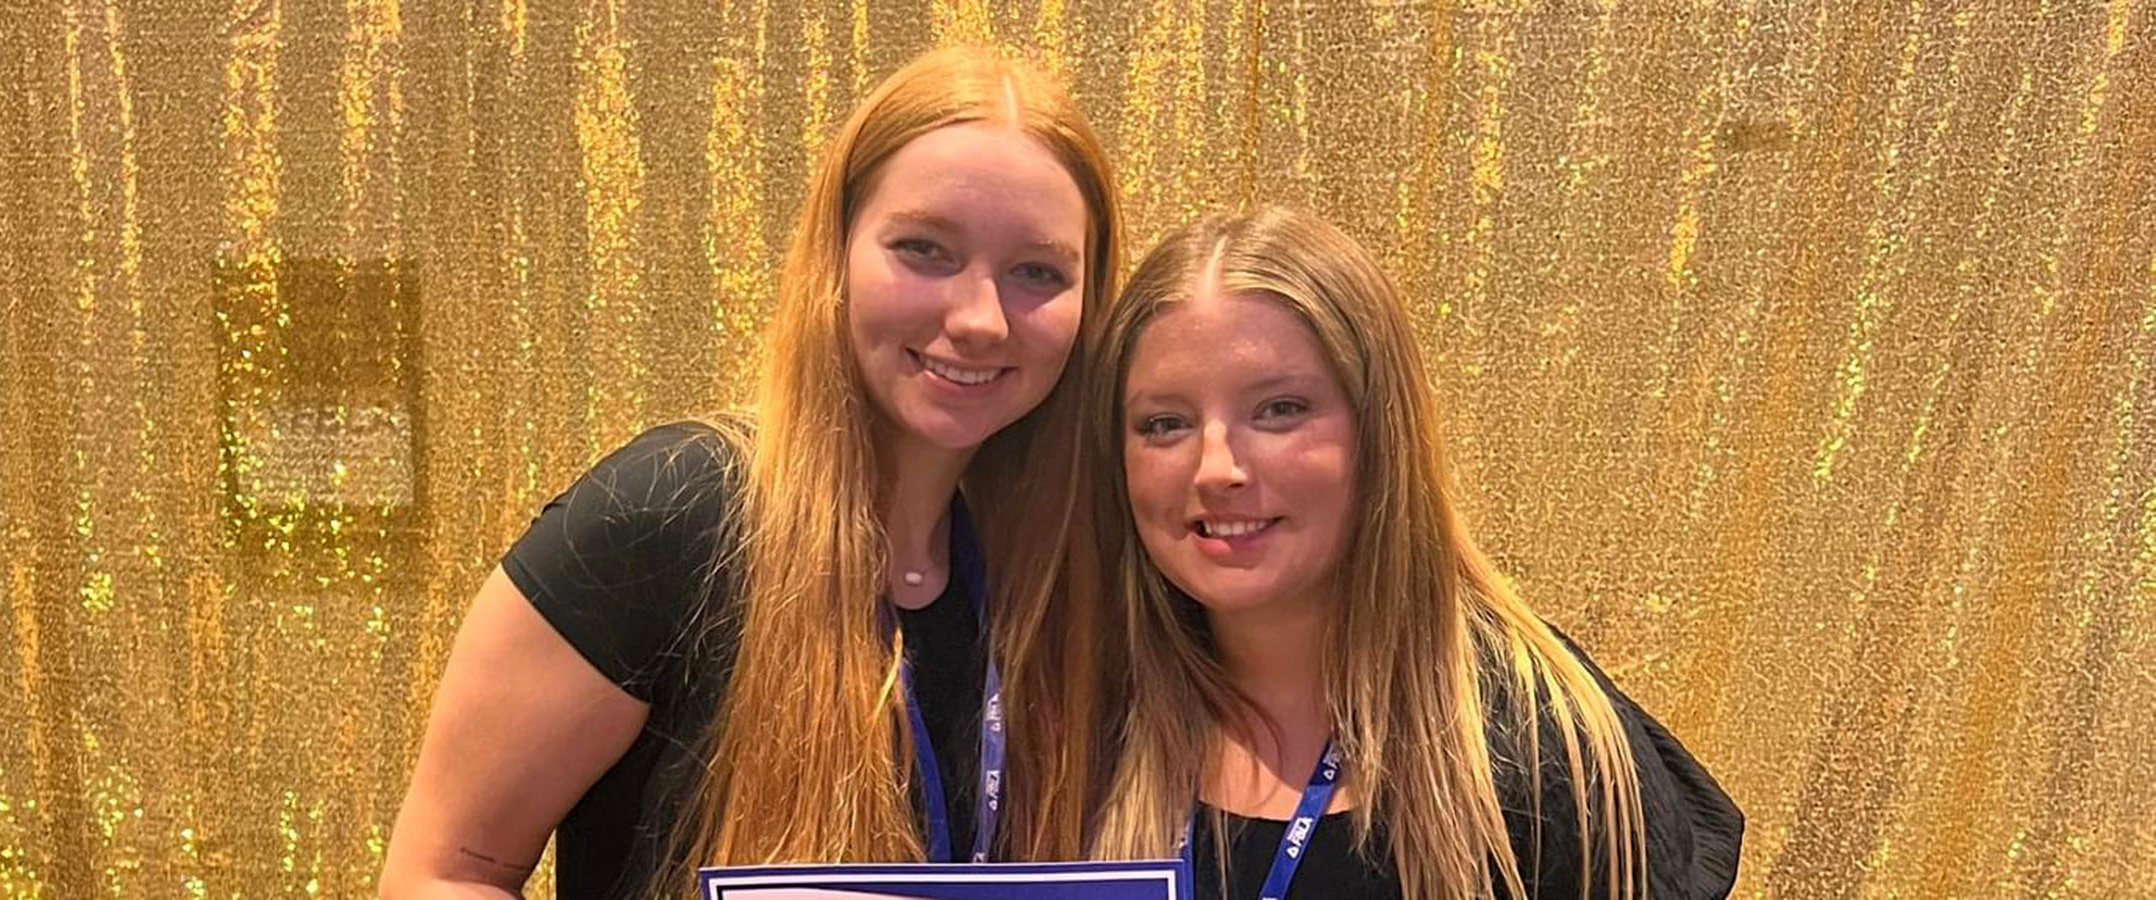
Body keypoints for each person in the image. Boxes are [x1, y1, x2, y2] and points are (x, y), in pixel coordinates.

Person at [379, 46, 1122, 900]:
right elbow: (441, 870)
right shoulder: (669, 515)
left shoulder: (1058, 572)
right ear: (834, 255)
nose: (981, 319)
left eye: (1038, 272)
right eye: (924, 250)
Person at [1075, 206, 1742, 899]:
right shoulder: (1078, 720)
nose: (1216, 468)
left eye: (1279, 409)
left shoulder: (1547, 747)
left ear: (1379, 434)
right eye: (1165, 423)